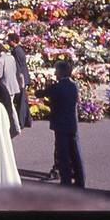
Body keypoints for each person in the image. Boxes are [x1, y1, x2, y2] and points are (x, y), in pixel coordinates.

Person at [34, 60, 85, 188]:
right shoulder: (73, 86)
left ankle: (66, 181)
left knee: (63, 155)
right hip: (72, 124)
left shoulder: (57, 87)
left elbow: (40, 93)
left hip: (60, 125)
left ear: (60, 73)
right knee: (75, 154)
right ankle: (80, 180)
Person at [8, 33, 33, 129]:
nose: (8, 42)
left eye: (9, 40)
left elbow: (18, 66)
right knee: (23, 100)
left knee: (21, 101)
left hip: (21, 78)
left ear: (14, 41)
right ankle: (26, 120)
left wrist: (17, 78)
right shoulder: (18, 50)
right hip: (23, 77)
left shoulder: (17, 51)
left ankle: (22, 121)